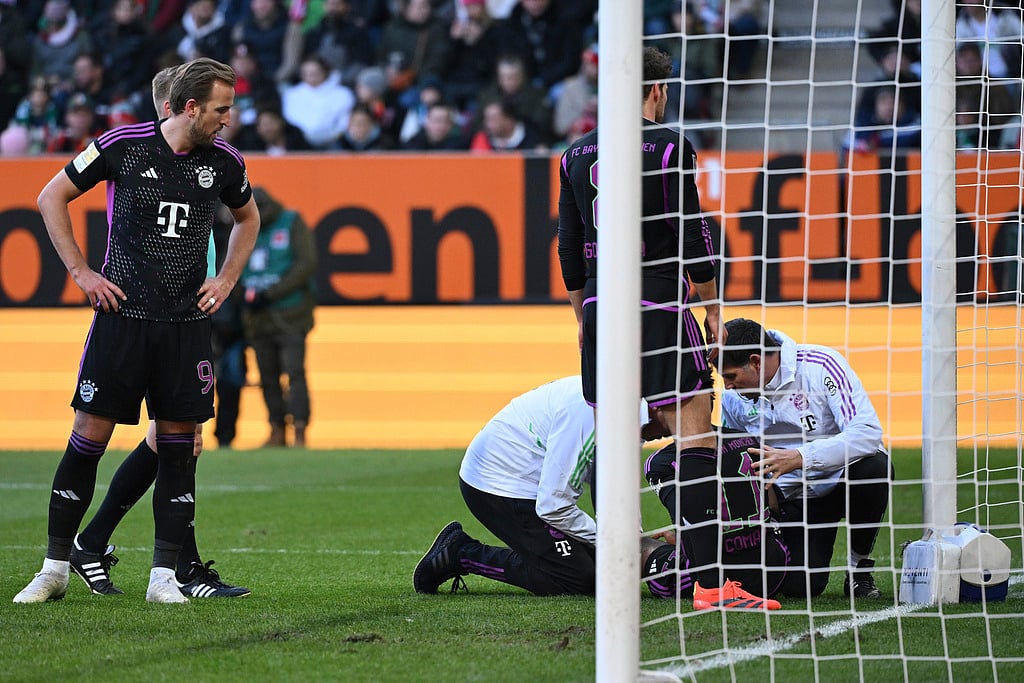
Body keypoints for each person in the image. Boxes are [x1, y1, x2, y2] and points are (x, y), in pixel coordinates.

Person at [13, 57, 260, 605]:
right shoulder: (121, 145)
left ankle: (164, 580)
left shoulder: (224, 162)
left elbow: (249, 218)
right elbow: (51, 196)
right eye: (222, 108)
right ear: (190, 107)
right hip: (121, 320)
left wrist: (226, 278)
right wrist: (80, 272)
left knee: (178, 450)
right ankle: (53, 569)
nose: (229, 118)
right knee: (88, 441)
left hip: (185, 327)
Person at [413, 376, 781, 610]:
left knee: (604, 566)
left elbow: (612, 485)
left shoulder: (627, 409)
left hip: (535, 481)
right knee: (579, 579)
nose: (679, 433)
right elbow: (554, 505)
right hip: (499, 485)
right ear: (665, 407)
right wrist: (620, 544)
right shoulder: (589, 415)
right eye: (684, 420)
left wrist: (631, 538)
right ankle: (461, 553)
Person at [557, 46, 723, 452]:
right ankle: (699, 516)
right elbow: (692, 232)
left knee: (613, 443)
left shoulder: (574, 155)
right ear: (657, 90)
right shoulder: (670, 147)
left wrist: (583, 314)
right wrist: (713, 309)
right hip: (658, 297)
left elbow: (569, 245)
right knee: (695, 436)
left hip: (599, 302)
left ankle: (615, 519)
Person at [717, 317, 894, 599]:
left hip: (840, 480)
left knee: (875, 467)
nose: (727, 386)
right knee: (800, 588)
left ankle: (859, 568)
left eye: (731, 377)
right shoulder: (733, 399)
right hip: (791, 500)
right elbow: (736, 453)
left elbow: (867, 432)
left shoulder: (821, 365)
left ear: (756, 361)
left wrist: (800, 457)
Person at [241, 186, 317, 448]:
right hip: (258, 317)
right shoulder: (244, 225)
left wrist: (272, 292)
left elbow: (306, 263)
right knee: (267, 376)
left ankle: (299, 429)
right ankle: (275, 429)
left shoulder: (291, 222)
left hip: (290, 313)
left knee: (294, 372)